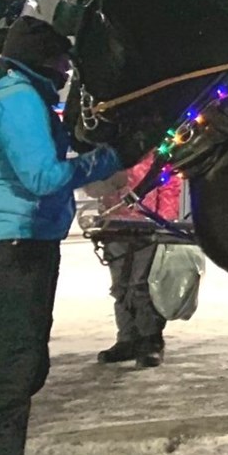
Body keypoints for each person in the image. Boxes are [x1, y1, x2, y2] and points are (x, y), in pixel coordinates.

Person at [0, 17, 123, 455]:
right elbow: (41, 176)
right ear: (41, 59)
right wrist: (106, 160)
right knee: (16, 368)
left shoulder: (21, 93)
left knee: (22, 364)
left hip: (22, 242)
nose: (67, 71)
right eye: (61, 61)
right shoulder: (19, 99)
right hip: (18, 247)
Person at [95, 153, 183, 368]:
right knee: (120, 286)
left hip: (148, 225)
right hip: (116, 223)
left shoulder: (158, 155)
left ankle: (150, 340)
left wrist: (164, 220)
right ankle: (127, 338)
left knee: (143, 285)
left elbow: (170, 185)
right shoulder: (113, 151)